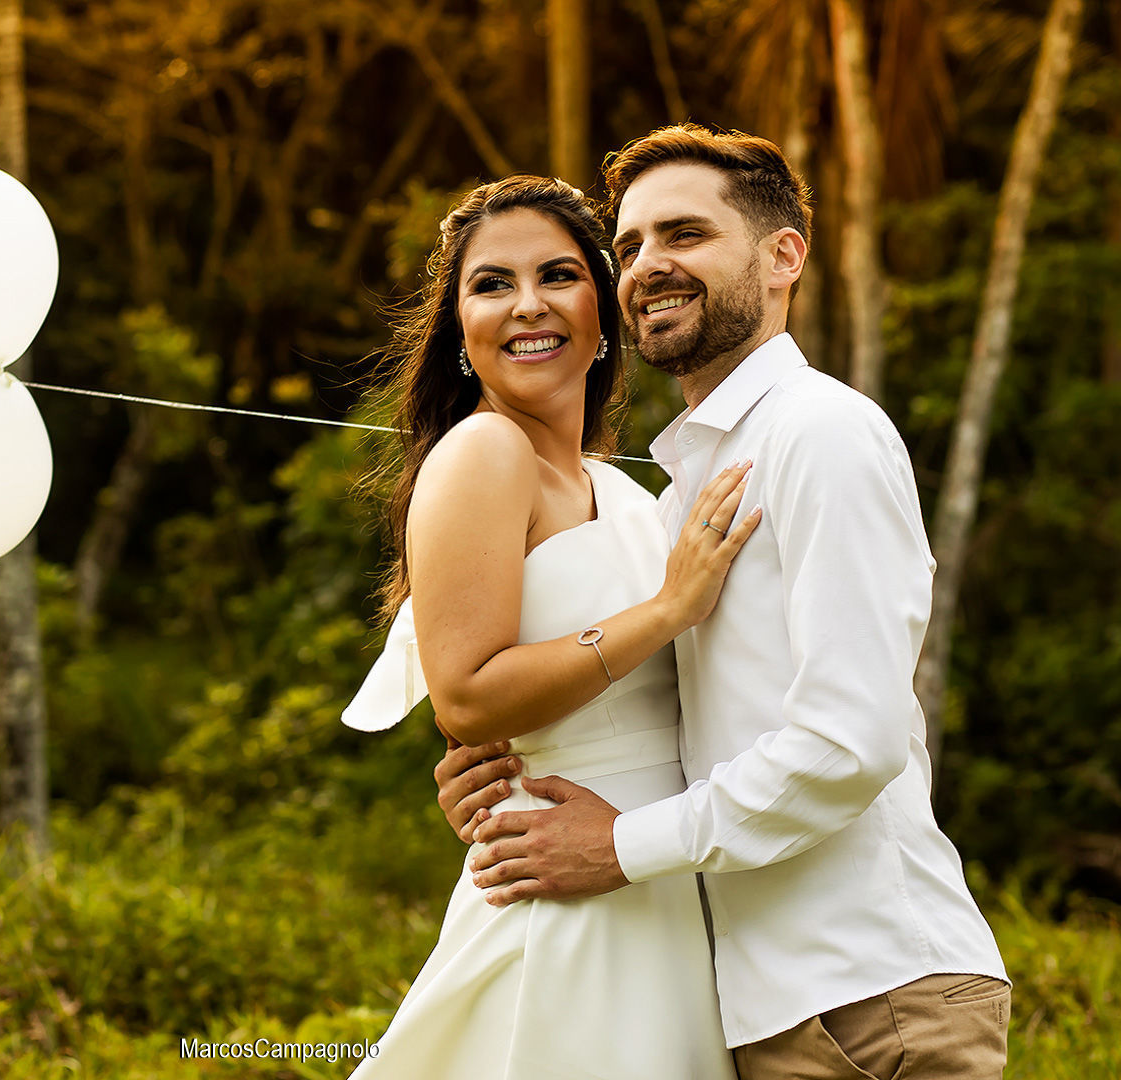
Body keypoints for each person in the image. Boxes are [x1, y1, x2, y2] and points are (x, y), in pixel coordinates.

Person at [438, 125, 1011, 1080]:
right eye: (629, 247)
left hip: (871, 995)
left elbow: (849, 742)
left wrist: (618, 844)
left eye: (685, 235)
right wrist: (509, 780)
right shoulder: (673, 501)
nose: (649, 266)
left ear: (784, 257)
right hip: (749, 1005)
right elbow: (659, 714)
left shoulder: (820, 432)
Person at [339, 174, 760, 1079]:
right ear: (460, 331)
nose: (527, 304)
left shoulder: (618, 488)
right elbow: (465, 693)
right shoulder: (485, 452)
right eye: (491, 284)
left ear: (602, 309)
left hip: (653, 872)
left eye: (557, 275)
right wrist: (664, 611)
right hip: (564, 889)